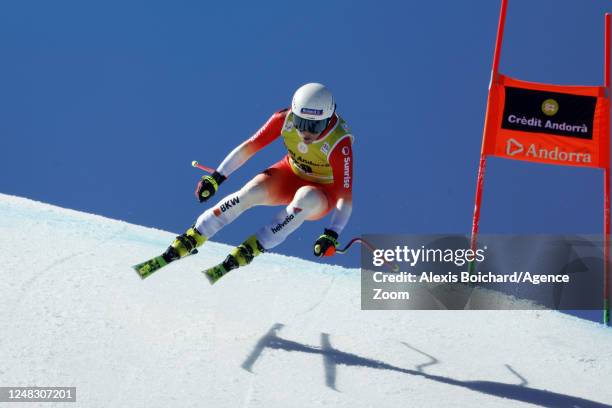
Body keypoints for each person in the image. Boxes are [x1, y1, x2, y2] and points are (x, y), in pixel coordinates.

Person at [163, 82, 354, 282]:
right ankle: (196, 234)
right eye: (302, 123)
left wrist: (332, 233)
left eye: (315, 126)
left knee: (306, 198)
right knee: (250, 192)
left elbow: (345, 197)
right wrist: (217, 177)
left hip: (323, 192)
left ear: (329, 119)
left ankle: (255, 245)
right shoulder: (284, 119)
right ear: (294, 114)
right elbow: (251, 145)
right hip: (289, 174)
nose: (307, 133)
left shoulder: (339, 143)